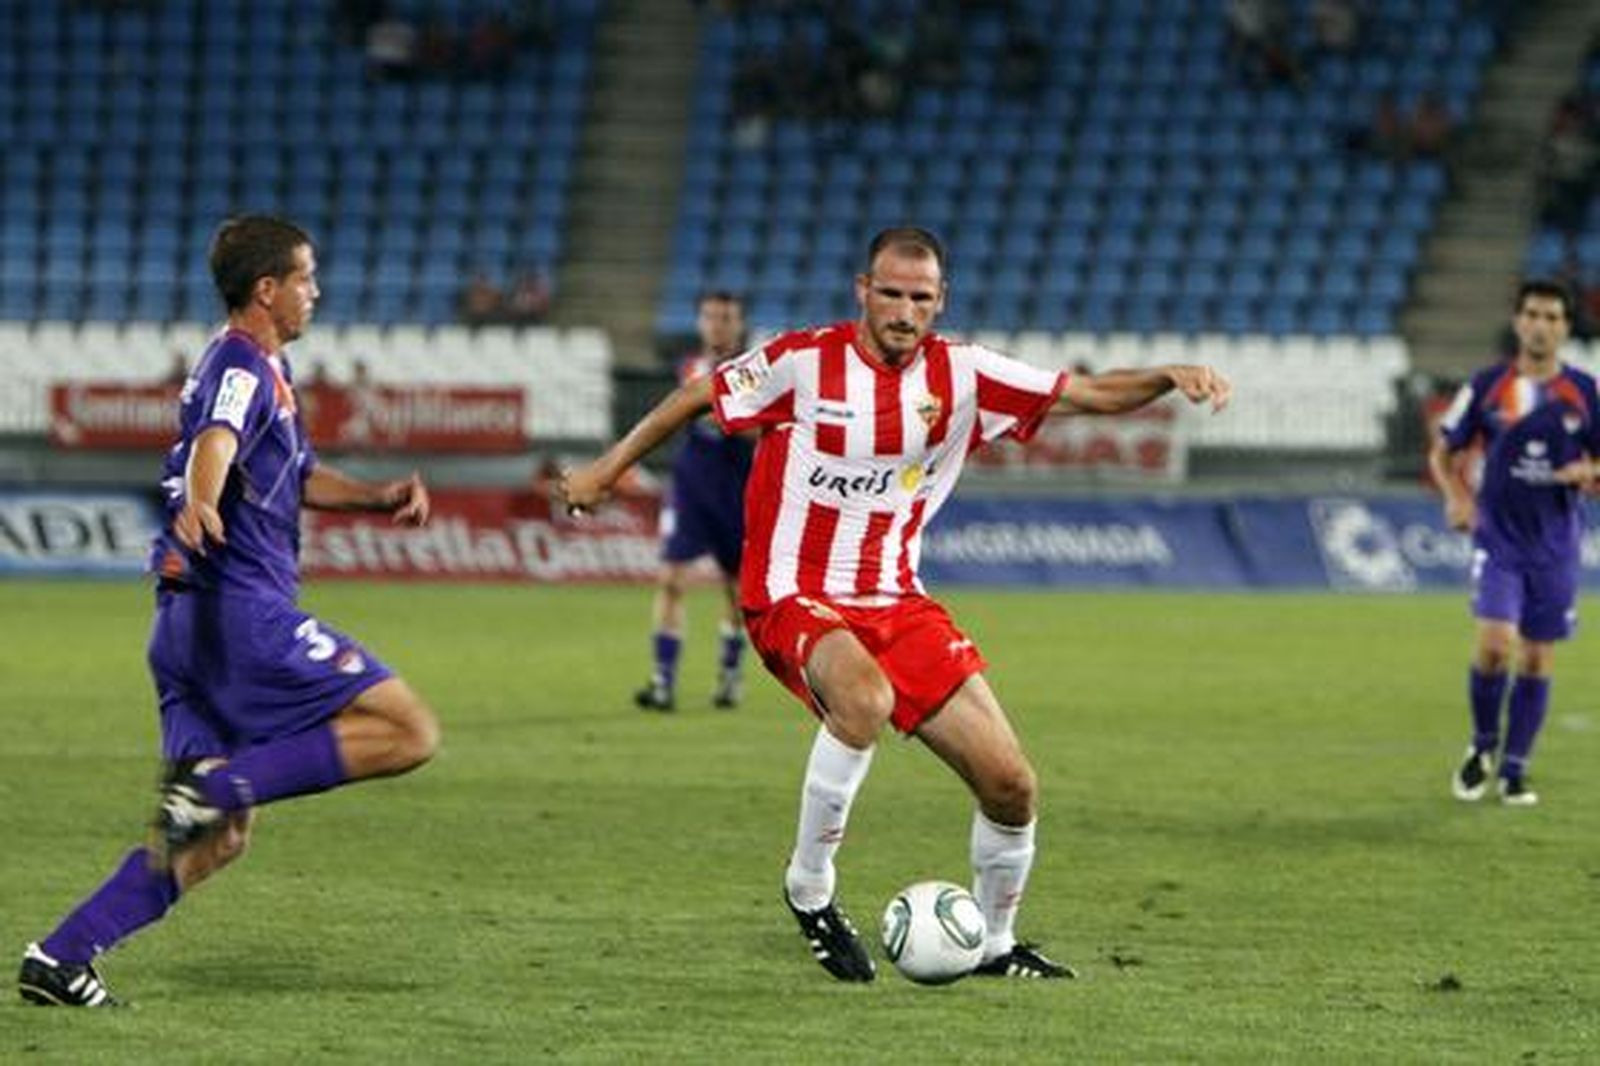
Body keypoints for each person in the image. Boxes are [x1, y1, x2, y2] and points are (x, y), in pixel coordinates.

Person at [561, 227, 1231, 982]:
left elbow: (1089, 394)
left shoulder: (965, 375)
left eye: (920, 297)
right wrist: (605, 472)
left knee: (1011, 785)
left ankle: (995, 944)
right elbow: (695, 396)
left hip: (897, 601)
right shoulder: (802, 362)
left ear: (940, 301)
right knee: (865, 699)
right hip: (793, 594)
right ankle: (809, 887)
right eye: (890, 293)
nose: (904, 311)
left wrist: (1168, 376)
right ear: (863, 291)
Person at [18, 216, 441, 1007]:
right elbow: (216, 437)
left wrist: (378, 497)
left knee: (219, 841)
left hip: (183, 629)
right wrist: (203, 501)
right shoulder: (242, 363)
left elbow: (299, 475)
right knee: (408, 730)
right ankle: (217, 785)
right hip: (238, 617)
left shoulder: (263, 370)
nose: (316, 292)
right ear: (267, 289)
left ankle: (61, 956)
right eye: (306, 278)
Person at [1432, 279, 1600, 807]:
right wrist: (1457, 497)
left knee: (1535, 657)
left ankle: (1515, 769)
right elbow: (1443, 451)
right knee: (1494, 645)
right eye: (1532, 314)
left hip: (1555, 544)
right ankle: (1483, 745)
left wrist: (1590, 472)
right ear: (1517, 321)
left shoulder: (1586, 391)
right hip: (1498, 537)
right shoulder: (1487, 385)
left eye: (1552, 317)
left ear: (1566, 328)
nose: (1540, 325)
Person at [634, 291, 754, 713]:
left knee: (737, 591)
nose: (718, 325)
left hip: (738, 491)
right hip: (690, 487)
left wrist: (730, 417)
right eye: (710, 317)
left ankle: (730, 674)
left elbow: (762, 430)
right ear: (700, 322)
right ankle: (662, 682)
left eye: (726, 317)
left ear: (739, 324)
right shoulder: (689, 368)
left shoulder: (756, 372)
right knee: (670, 580)